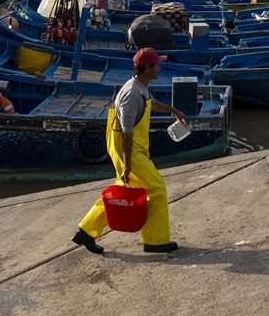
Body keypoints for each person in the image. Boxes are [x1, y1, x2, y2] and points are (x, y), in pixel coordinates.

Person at [72, 48, 188, 254]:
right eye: (157, 65)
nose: (160, 68)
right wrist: (127, 165)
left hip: (133, 150)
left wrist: (174, 111)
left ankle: (86, 231)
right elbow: (126, 131)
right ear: (147, 68)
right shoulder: (132, 94)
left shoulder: (141, 87)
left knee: (122, 189)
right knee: (157, 188)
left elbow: (151, 105)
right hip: (129, 150)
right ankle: (155, 241)